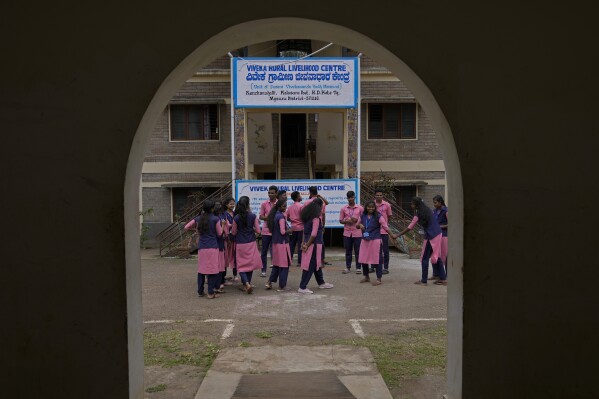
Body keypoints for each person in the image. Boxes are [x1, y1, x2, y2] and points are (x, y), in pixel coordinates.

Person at [397, 197, 447, 286]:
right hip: (438, 233)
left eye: (412, 204)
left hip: (431, 235)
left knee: (424, 257)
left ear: (416, 205)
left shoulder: (418, 214)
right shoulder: (428, 210)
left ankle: (424, 281)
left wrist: (397, 235)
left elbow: (410, 227)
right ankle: (443, 278)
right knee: (437, 255)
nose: (411, 205)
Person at [184, 200, 225, 299]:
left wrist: (197, 231)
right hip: (212, 246)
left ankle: (200, 291)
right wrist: (223, 225)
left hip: (202, 247)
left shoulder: (198, 218)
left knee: (201, 269)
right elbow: (219, 234)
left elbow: (186, 227)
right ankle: (210, 292)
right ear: (212, 208)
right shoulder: (215, 219)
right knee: (213, 270)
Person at [357, 201, 398, 286]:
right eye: (369, 207)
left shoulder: (379, 216)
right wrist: (360, 225)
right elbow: (357, 225)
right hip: (365, 240)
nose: (370, 208)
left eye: (372, 207)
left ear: (375, 208)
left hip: (375, 240)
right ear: (366, 207)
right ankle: (366, 276)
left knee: (377, 260)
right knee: (363, 259)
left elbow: (385, 226)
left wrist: (392, 235)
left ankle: (379, 278)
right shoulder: (363, 216)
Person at [298, 198, 334, 293]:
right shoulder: (316, 218)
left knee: (315, 264)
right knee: (310, 265)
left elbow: (304, 232)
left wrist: (303, 243)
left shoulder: (307, 216)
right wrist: (308, 245)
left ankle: (321, 282)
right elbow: (314, 234)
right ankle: (302, 287)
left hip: (307, 242)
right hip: (314, 244)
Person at [231, 196, 262, 294]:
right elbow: (258, 230)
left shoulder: (236, 217)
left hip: (240, 243)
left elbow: (234, 232)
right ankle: (248, 283)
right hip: (251, 242)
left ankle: (246, 284)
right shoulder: (253, 216)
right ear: (248, 204)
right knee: (250, 264)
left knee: (242, 265)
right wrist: (252, 229)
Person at [265, 199, 292, 291]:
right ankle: (282, 286)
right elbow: (283, 231)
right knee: (284, 265)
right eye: (284, 206)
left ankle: (269, 282)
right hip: (282, 243)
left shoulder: (274, 215)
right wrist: (290, 230)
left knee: (276, 264)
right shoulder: (280, 217)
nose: (285, 207)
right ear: (279, 207)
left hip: (275, 243)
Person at [303, 186, 331, 265]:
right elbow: (323, 214)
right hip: (319, 224)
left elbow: (304, 214)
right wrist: (323, 226)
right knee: (320, 242)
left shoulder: (307, 202)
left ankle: (310, 259)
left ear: (310, 193)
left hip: (309, 224)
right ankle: (321, 260)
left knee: (309, 241)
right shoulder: (320, 202)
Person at [339, 190, 363, 274]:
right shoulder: (343, 208)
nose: (350, 199)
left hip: (357, 232)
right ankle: (348, 267)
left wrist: (357, 220)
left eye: (352, 197)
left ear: (354, 197)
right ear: (347, 198)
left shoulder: (360, 208)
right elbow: (340, 221)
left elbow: (364, 219)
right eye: (349, 198)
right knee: (348, 251)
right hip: (347, 233)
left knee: (358, 251)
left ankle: (358, 267)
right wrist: (346, 221)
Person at [259, 185, 278, 277]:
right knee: (264, 251)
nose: (270, 194)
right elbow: (261, 216)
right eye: (269, 193)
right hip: (266, 231)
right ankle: (263, 270)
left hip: (276, 231)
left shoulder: (279, 204)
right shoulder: (264, 204)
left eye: (272, 193)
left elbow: (283, 215)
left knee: (275, 251)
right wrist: (269, 218)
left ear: (276, 193)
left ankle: (275, 271)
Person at [374, 188, 393, 274]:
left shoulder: (387, 205)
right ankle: (373, 266)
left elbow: (389, 216)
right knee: (374, 249)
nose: (379, 196)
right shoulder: (372, 204)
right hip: (374, 231)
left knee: (385, 250)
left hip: (384, 230)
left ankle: (385, 267)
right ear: (374, 196)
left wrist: (385, 223)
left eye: (380, 195)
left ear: (383, 196)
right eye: (377, 195)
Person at [432, 194, 448, 281]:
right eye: (433, 203)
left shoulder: (446, 211)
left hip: (444, 235)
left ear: (440, 202)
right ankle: (436, 274)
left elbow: (450, 224)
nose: (434, 204)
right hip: (436, 235)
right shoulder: (434, 211)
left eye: (435, 202)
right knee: (436, 255)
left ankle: (446, 276)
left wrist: (440, 226)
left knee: (444, 256)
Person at [221, 197, 238, 282]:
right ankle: (223, 275)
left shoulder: (235, 213)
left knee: (235, 256)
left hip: (234, 237)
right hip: (227, 238)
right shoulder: (224, 214)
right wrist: (234, 224)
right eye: (231, 203)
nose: (232, 205)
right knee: (225, 257)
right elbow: (226, 225)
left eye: (233, 203)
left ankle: (235, 274)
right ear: (226, 205)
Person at [287, 191, 304, 267]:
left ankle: (289, 261)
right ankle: (299, 262)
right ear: (297, 197)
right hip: (301, 228)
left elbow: (287, 217)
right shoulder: (301, 206)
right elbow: (304, 217)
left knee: (292, 244)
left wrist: (293, 220)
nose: (301, 196)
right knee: (301, 244)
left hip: (293, 228)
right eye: (299, 195)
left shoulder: (290, 207)